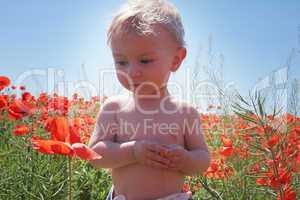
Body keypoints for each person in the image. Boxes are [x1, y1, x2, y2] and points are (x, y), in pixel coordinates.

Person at [88, 0, 210, 199]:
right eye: (121, 62)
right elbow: (95, 154)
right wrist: (132, 152)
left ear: (176, 60)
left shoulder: (185, 113)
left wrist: (185, 159)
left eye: (145, 60)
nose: (132, 71)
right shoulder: (114, 108)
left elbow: (202, 159)